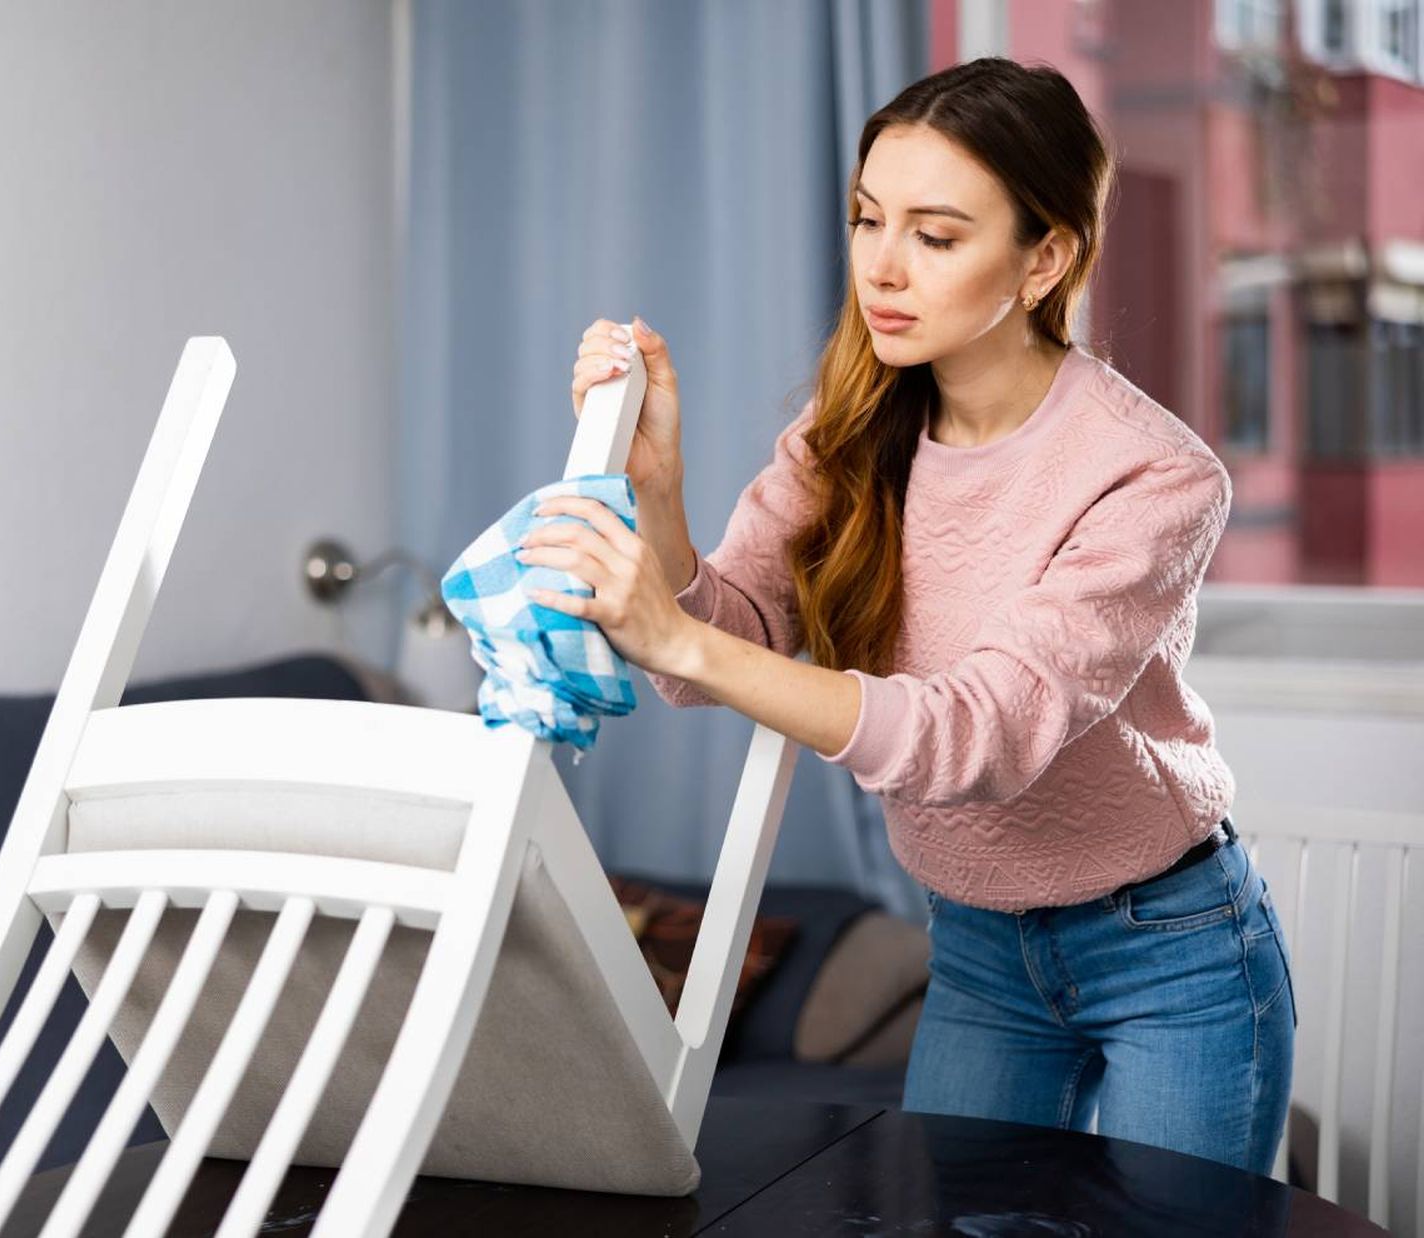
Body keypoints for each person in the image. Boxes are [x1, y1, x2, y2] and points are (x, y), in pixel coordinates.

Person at [511, 56, 1296, 1177]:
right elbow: (712, 646)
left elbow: (971, 738)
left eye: (933, 235)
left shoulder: (1153, 477)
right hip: (976, 946)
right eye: (866, 219)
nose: (881, 265)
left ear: (1045, 258)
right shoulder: (849, 432)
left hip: (1168, 952)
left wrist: (676, 633)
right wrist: (658, 489)